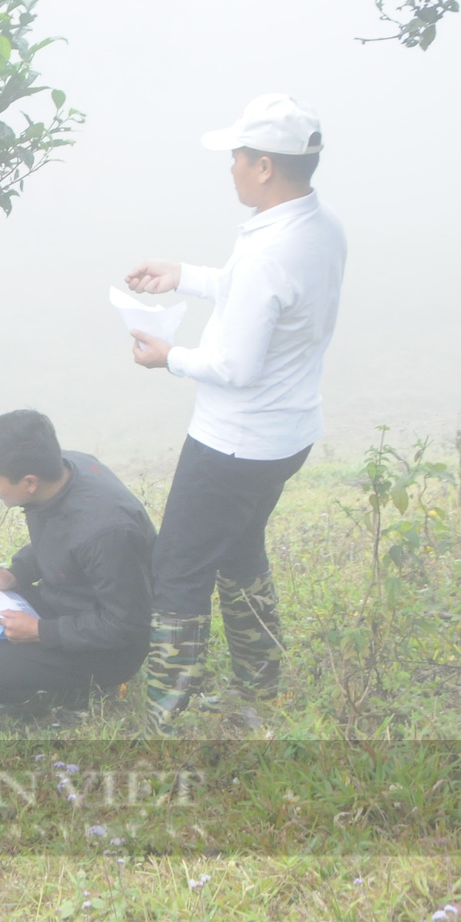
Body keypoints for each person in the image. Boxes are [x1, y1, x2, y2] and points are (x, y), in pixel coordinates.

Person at [124, 92, 346, 723]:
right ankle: (262, 681)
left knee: (179, 568)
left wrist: (168, 356)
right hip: (287, 432)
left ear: (266, 167)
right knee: (242, 550)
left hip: (234, 442)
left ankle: (168, 708)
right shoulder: (319, 229)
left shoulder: (269, 251)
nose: (231, 168)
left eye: (238, 157)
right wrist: (185, 275)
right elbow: (266, 297)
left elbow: (235, 367)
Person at [0, 410, 155, 715]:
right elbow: (58, 538)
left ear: (29, 482)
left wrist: (40, 631)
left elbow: (127, 624)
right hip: (68, 602)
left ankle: (68, 697)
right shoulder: (65, 469)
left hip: (111, 647)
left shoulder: (106, 532)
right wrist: (13, 575)